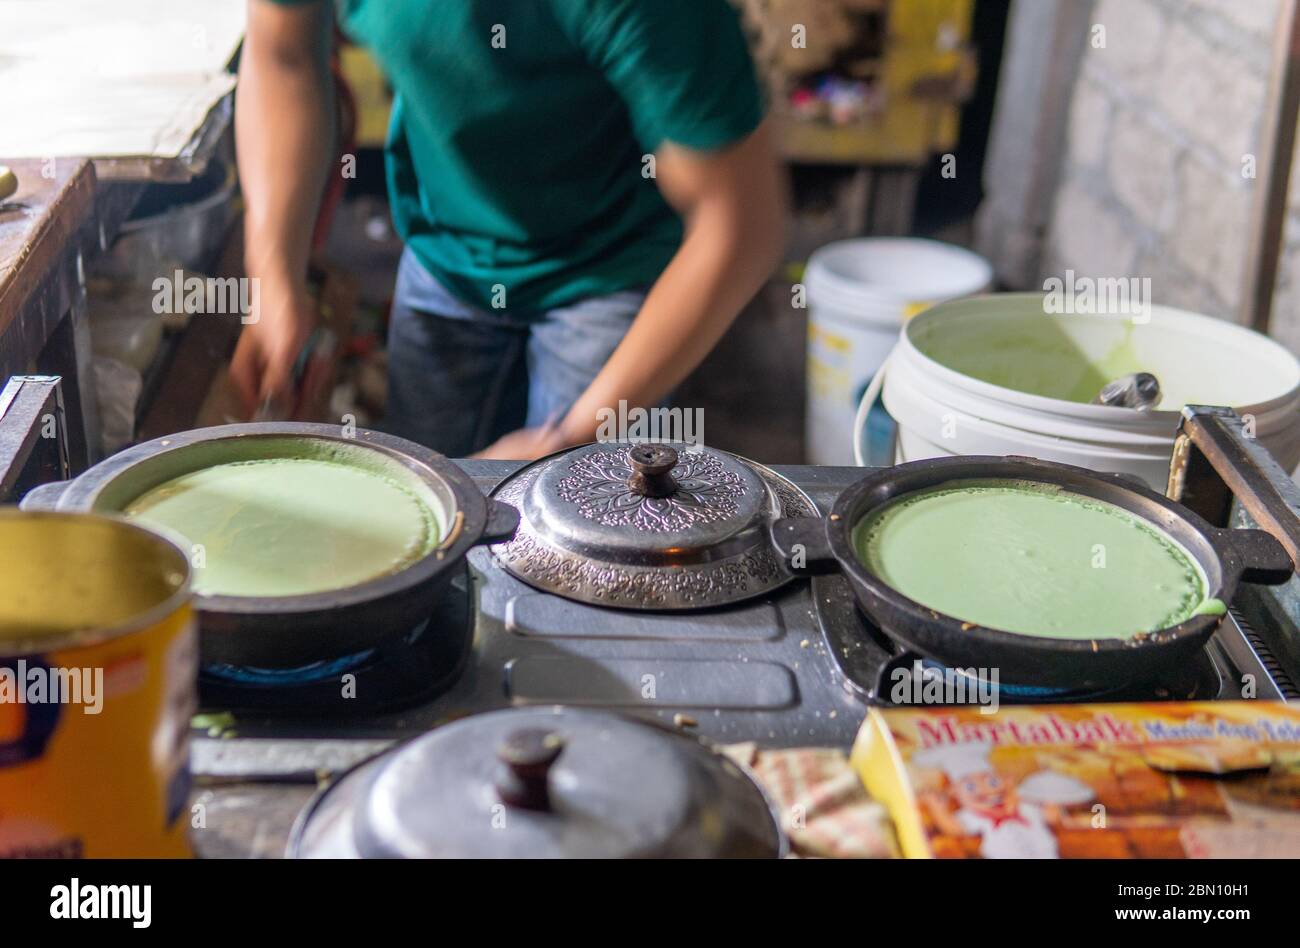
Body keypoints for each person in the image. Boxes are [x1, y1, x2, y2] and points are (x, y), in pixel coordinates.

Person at [231, 0, 787, 459]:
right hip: (446, 246)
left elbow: (740, 226)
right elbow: (283, 55)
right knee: (424, 509)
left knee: (579, 533)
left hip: (616, 261)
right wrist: (274, 272)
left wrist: (570, 439)